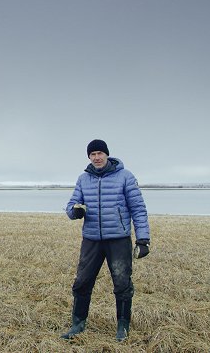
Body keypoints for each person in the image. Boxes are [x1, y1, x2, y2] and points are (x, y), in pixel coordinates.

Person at [61, 139, 151, 342]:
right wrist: (74, 212)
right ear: (89, 158)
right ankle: (78, 323)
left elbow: (138, 208)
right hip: (91, 240)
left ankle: (123, 326)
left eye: (100, 153)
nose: (97, 157)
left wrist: (143, 239)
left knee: (122, 283)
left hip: (118, 240)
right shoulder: (83, 179)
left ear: (107, 155)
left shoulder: (125, 176)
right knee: (82, 282)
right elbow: (71, 205)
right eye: (92, 154)